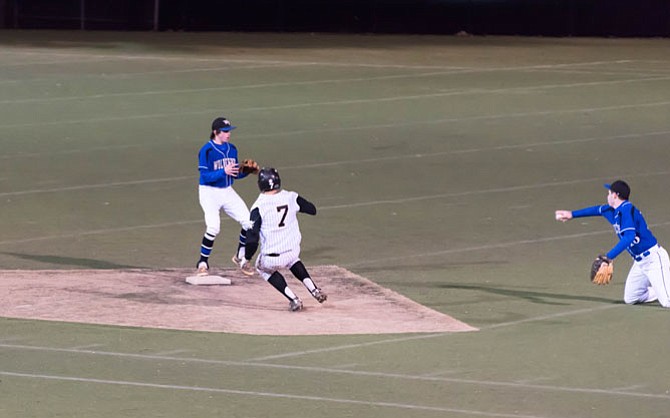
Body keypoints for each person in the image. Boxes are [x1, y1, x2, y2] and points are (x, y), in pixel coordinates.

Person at [555, 180, 670, 308]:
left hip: (654, 259)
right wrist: (571, 214)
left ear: (615, 195)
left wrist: (608, 257)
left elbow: (629, 237)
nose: (607, 196)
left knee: (667, 302)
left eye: (609, 193)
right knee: (631, 298)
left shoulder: (627, 210)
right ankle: (662, 287)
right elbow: (597, 210)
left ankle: (664, 288)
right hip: (640, 263)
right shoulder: (613, 211)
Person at [239, 167, 327, 311]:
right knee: (293, 261)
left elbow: (252, 239)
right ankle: (314, 290)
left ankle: (294, 299)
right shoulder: (291, 196)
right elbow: (312, 209)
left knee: (262, 268)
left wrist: (246, 258)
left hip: (272, 258)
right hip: (293, 250)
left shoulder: (258, 207)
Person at [195, 116, 255, 276]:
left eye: (229, 131)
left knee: (249, 223)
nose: (228, 134)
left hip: (227, 191)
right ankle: (202, 263)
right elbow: (205, 176)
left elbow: (233, 175)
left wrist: (246, 172)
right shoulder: (206, 150)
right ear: (216, 132)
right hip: (209, 192)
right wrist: (223, 171)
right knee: (214, 227)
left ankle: (240, 256)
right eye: (225, 131)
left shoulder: (232, 149)